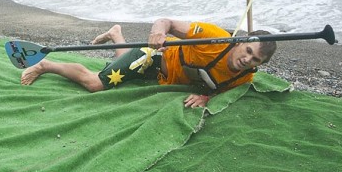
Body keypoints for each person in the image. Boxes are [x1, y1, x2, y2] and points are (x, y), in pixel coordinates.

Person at [20, 19, 277, 108]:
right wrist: (158, 33)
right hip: (153, 58)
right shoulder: (212, 35)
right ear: (240, 42)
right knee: (95, 83)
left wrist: (206, 98)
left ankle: (116, 34)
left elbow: (218, 89)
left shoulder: (246, 76)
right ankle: (46, 65)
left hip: (163, 77)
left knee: (122, 66)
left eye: (256, 60)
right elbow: (166, 22)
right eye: (248, 51)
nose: (247, 60)